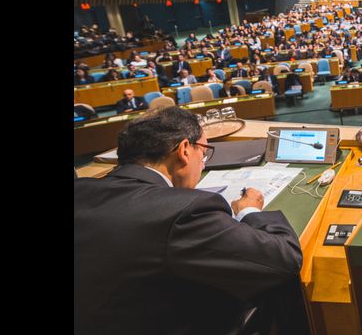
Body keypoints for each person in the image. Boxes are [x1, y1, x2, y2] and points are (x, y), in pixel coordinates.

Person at [75, 107, 304, 334]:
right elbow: (284, 258)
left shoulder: (81, 190)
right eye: (204, 152)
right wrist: (250, 211)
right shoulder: (183, 211)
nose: (203, 163)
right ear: (185, 150)